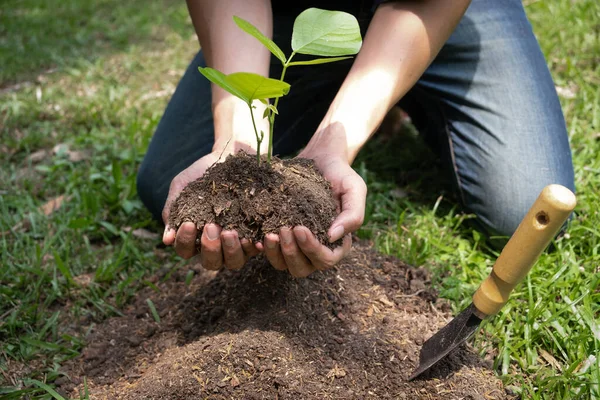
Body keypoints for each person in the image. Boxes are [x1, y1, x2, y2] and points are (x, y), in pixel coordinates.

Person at [137, 0, 575, 278]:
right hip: (295, 15)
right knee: (175, 188)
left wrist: (337, 138)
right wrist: (236, 138)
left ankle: (396, 91)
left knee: (522, 207)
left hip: (437, 10)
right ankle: (337, 80)